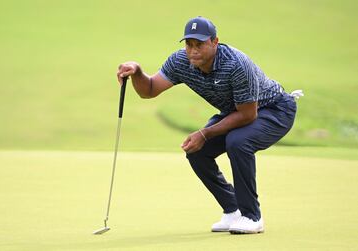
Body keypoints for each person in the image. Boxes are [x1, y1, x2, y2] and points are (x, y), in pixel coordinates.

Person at [117, 16, 302, 234]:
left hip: (275, 109)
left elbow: (248, 115)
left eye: (200, 44)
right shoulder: (180, 62)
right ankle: (232, 209)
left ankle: (252, 216)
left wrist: (204, 133)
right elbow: (148, 90)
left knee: (238, 141)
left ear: (215, 42)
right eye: (189, 44)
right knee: (197, 151)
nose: (193, 50)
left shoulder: (235, 64)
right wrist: (137, 71)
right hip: (238, 111)